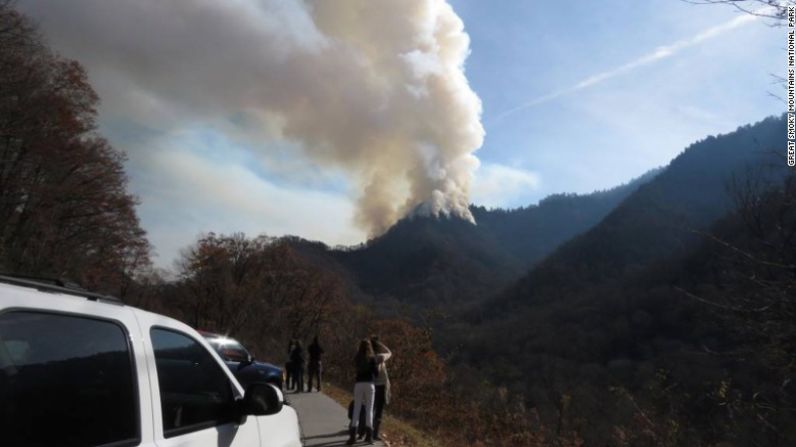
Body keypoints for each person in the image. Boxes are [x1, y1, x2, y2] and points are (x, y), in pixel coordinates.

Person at [347, 339, 377, 445]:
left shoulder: (357, 358)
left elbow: (355, 369)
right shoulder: (372, 358)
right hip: (369, 384)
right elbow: (376, 373)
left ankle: (352, 436)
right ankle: (369, 436)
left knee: (356, 409)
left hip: (359, 384)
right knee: (369, 410)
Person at [371, 336, 392, 441]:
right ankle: (375, 433)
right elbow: (389, 352)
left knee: (371, 409)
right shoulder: (380, 357)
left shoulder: (368, 357)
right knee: (379, 411)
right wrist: (380, 344)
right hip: (382, 387)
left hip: (372, 386)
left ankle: (365, 429)